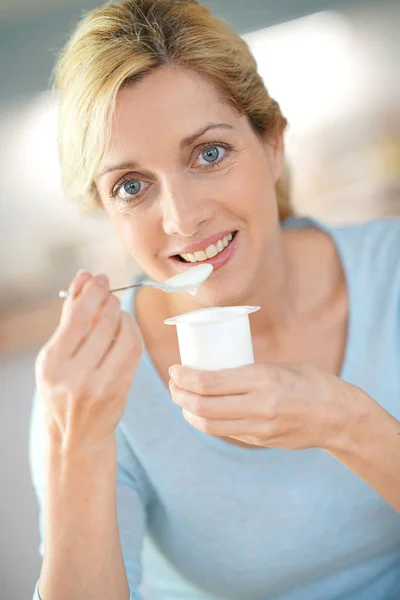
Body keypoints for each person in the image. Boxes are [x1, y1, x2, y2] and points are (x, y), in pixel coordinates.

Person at [29, 1, 400, 599]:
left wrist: (345, 422)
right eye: (132, 186)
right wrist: (77, 445)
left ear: (273, 144)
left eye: (208, 153)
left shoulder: (393, 273)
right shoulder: (90, 388)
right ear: (108, 214)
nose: (182, 219)